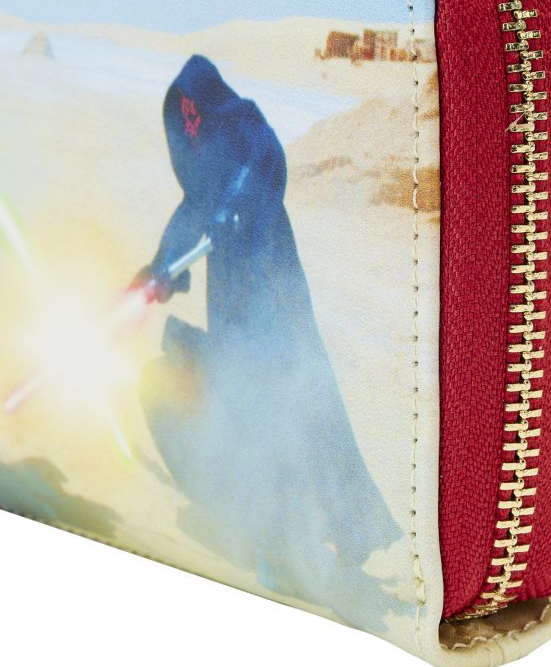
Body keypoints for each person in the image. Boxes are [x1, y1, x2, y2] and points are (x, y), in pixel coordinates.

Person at [131, 55, 401, 628]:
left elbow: (266, 160)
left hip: (271, 284)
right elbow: (193, 210)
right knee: (243, 397)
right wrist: (159, 269)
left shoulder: (243, 124)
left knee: (295, 402)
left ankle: (325, 533)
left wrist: (235, 207)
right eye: (183, 119)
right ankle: (274, 535)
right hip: (231, 297)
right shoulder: (203, 157)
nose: (190, 125)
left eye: (193, 114)